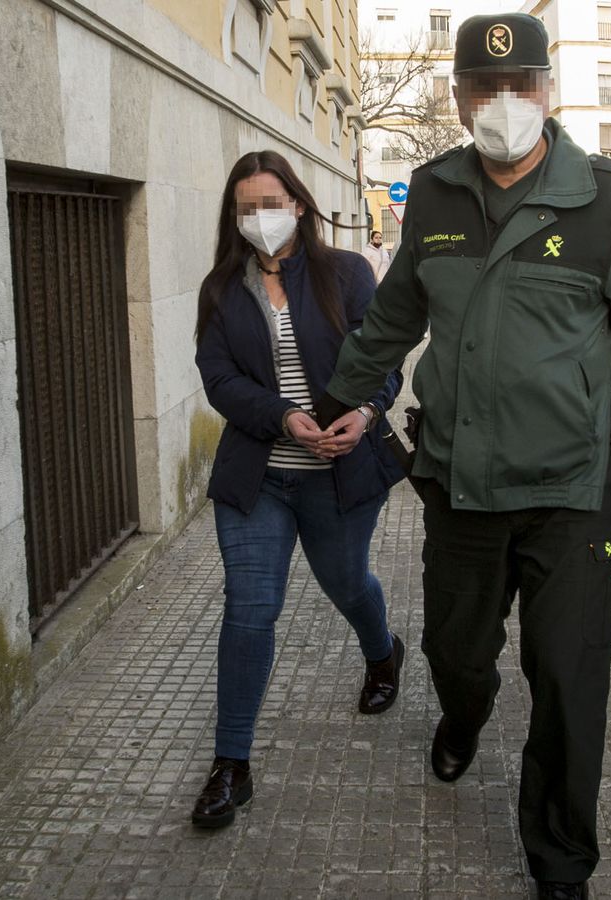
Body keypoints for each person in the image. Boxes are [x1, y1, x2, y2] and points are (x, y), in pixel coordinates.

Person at [314, 13, 611, 900]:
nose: (503, 102)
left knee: (570, 683)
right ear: (458, 98)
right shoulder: (434, 194)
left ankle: (560, 862)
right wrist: (343, 393)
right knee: (455, 655)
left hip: (572, 492)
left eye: (520, 84)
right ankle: (464, 716)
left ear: (547, 90)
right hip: (460, 484)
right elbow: (395, 314)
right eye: (484, 87)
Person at [190, 150, 408, 830]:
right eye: (247, 207)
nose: (261, 217)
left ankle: (382, 651)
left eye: (272, 203)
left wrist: (364, 412)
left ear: (300, 206)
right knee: (250, 607)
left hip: (340, 474)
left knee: (346, 583)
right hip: (259, 477)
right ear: (233, 217)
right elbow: (219, 379)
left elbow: (383, 358)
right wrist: (283, 416)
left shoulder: (346, 273)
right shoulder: (222, 289)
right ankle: (231, 764)